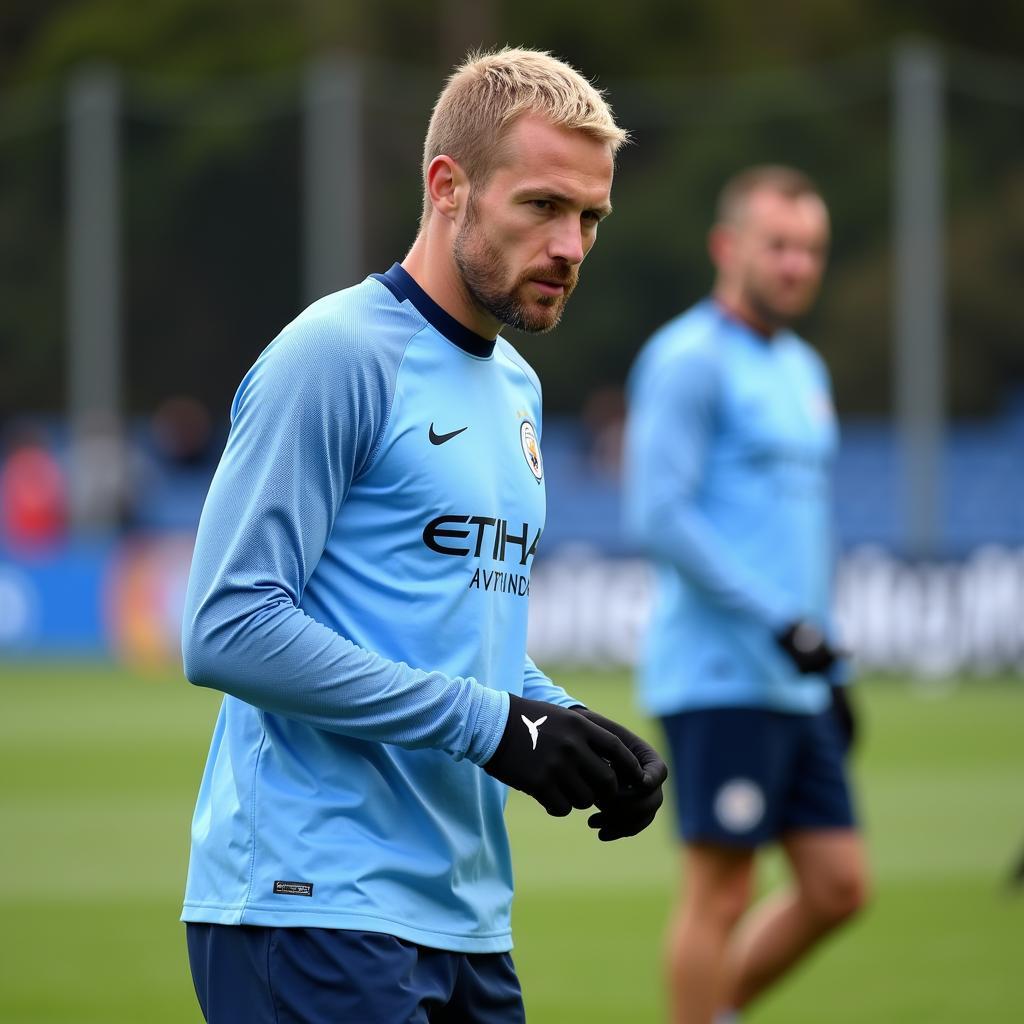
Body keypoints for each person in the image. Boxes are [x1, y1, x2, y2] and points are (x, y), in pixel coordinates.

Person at [180, 47, 667, 1024]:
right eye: (541, 206)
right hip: (310, 901)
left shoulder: (517, 388)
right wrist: (494, 726)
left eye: (589, 218)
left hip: (464, 918)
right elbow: (226, 625)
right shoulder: (337, 354)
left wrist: (565, 722)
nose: (570, 245)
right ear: (449, 187)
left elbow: (448, 622)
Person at [623, 165, 868, 1024]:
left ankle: (712, 1012)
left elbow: (800, 529)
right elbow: (659, 516)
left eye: (812, 250)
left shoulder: (802, 367)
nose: (798, 265)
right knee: (721, 892)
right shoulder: (687, 359)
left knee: (840, 885)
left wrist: (827, 660)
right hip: (722, 672)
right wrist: (782, 621)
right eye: (780, 246)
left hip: (796, 673)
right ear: (728, 248)